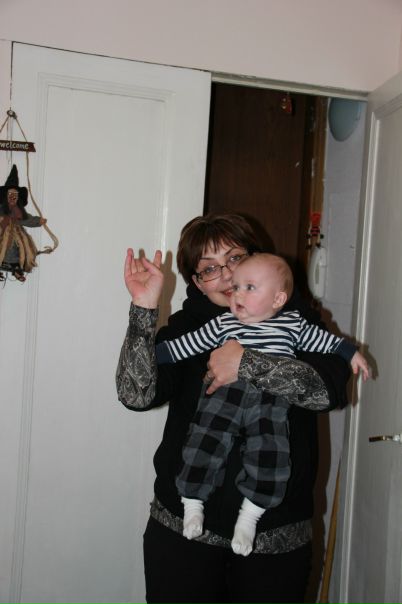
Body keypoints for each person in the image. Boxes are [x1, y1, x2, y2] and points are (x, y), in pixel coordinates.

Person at [116, 213, 351, 604]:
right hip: (182, 532)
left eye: (235, 258)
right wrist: (143, 308)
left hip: (275, 539)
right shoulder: (188, 328)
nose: (226, 276)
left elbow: (328, 391)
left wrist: (246, 363)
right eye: (209, 268)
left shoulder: (299, 323)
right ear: (196, 282)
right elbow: (135, 394)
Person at [155, 252, 369, 557]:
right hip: (225, 394)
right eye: (236, 288)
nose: (237, 294)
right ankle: (192, 503)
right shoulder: (223, 323)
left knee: (270, 452)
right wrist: (154, 355)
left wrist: (352, 353)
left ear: (278, 298)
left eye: (249, 287)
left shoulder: (294, 325)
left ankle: (250, 516)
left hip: (270, 399)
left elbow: (328, 343)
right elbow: (184, 346)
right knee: (204, 440)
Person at [0, 164, 47, 282]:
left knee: (17, 246)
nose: (12, 197)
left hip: (15, 233)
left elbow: (27, 219)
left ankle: (16, 267)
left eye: (15, 195)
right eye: (10, 194)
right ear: (5, 196)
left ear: (18, 198)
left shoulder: (19, 212)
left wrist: (38, 221)